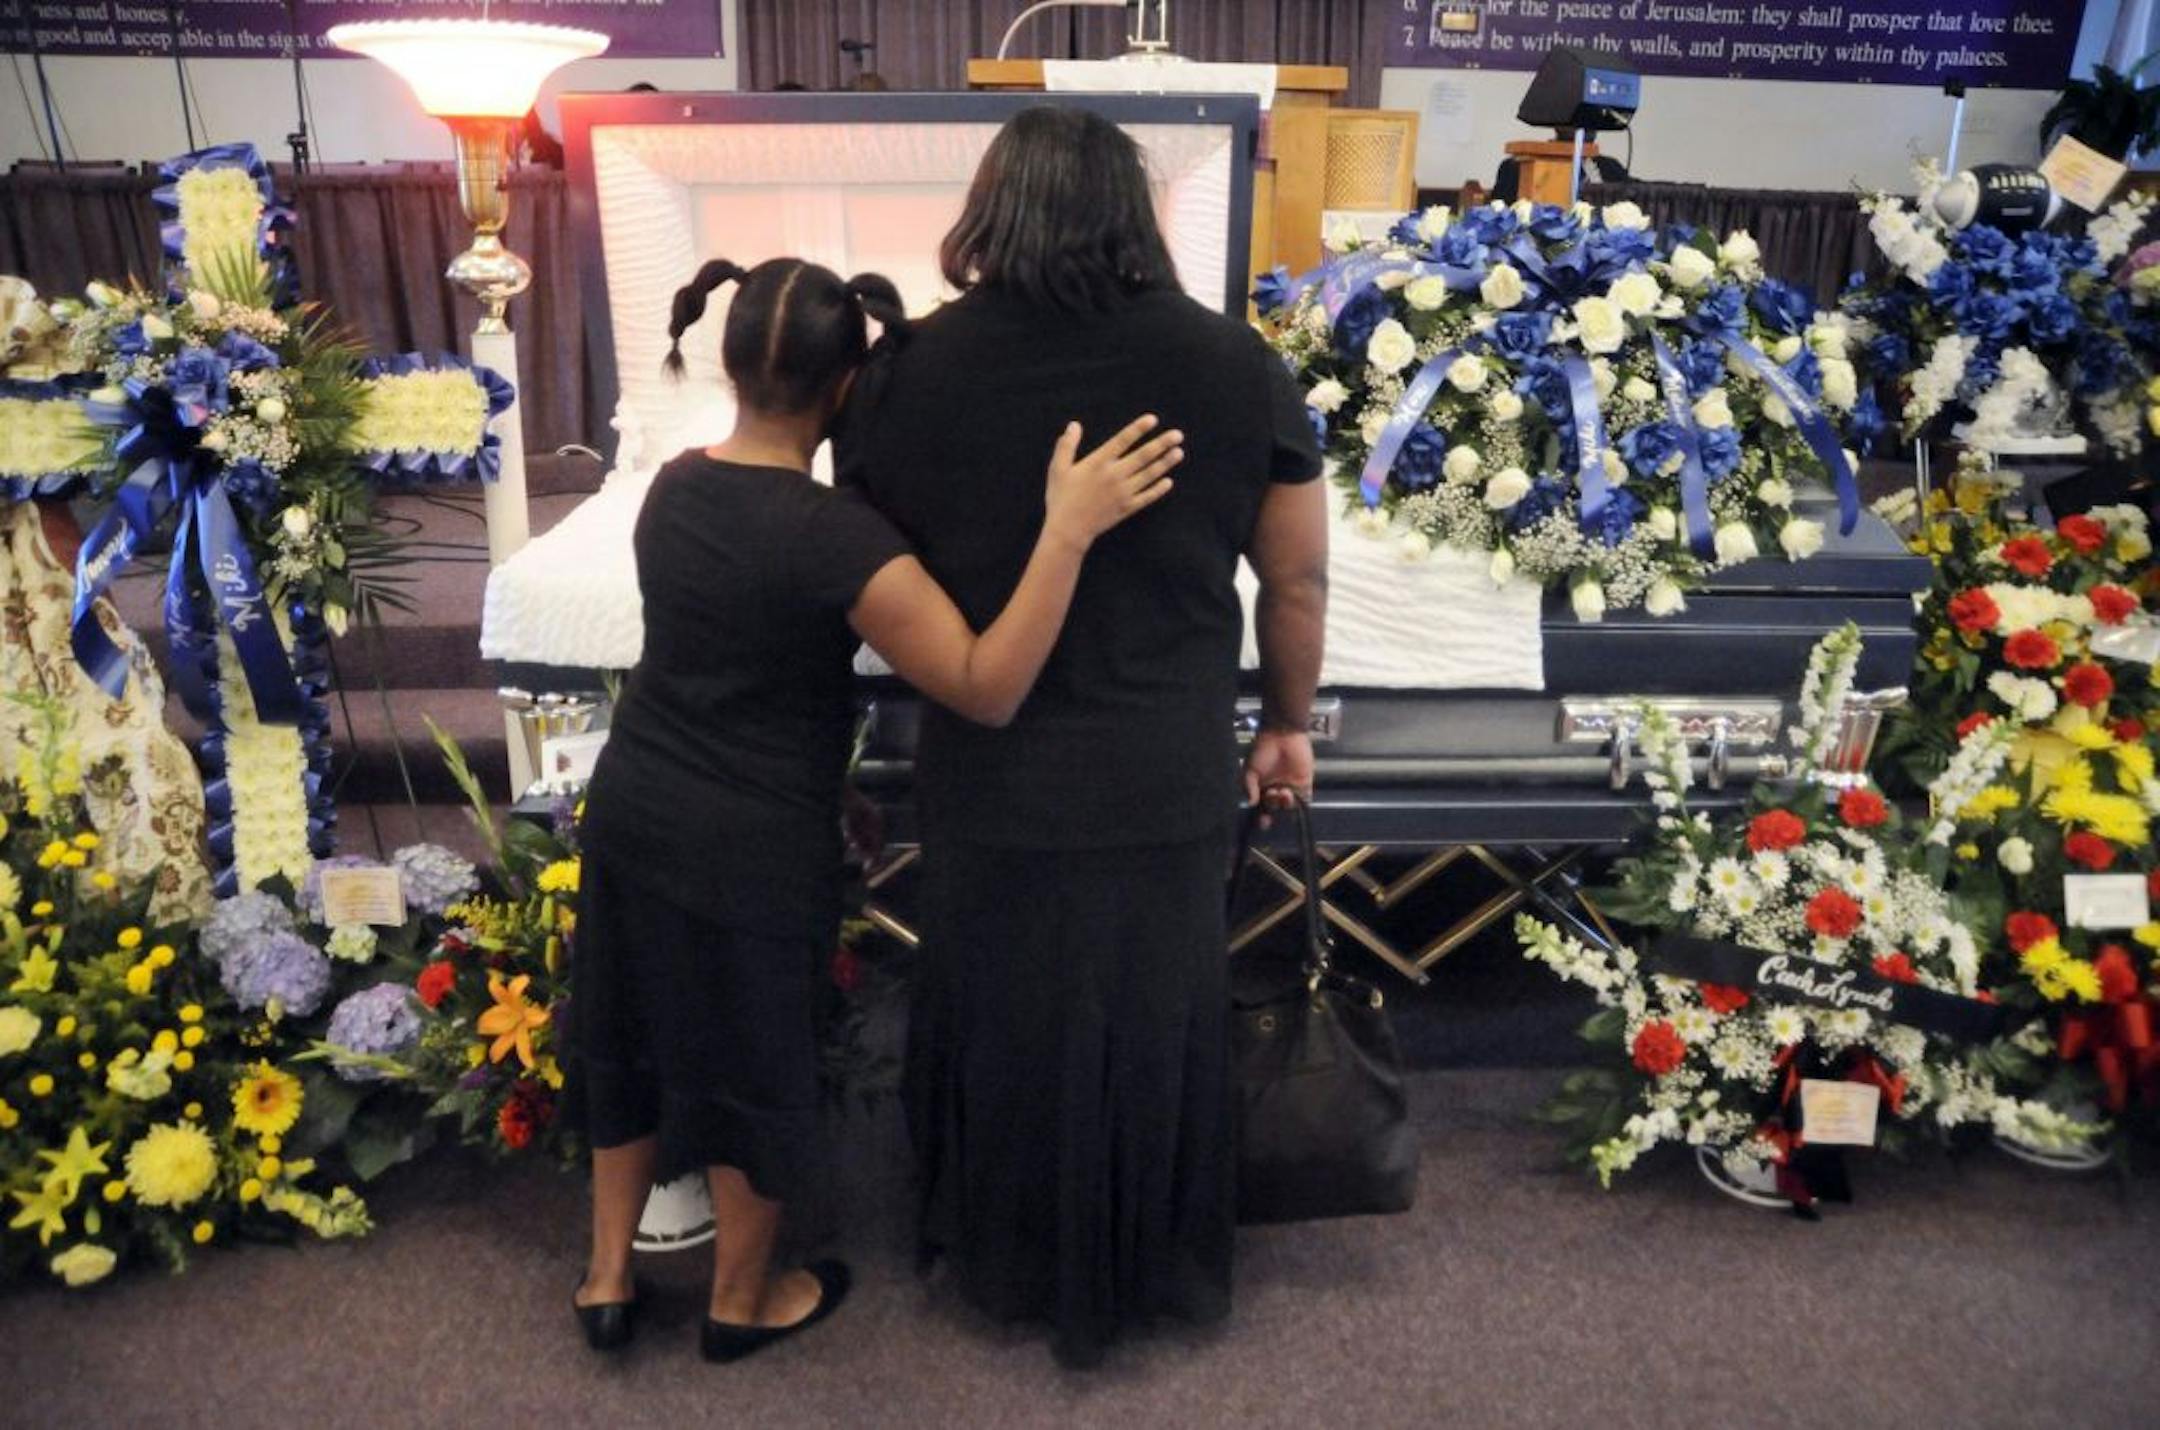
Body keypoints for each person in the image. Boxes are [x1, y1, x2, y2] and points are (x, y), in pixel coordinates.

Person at [568, 254, 1184, 1364]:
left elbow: (731, 661)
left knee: (628, 1027)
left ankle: (608, 1277)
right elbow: (987, 684)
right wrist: (1067, 529)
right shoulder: (838, 534)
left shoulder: (673, 489)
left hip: (635, 800)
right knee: (754, 1053)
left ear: (728, 358)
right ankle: (741, 1300)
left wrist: (835, 779)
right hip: (752, 839)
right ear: (846, 386)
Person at [835, 105, 1329, 1367]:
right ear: (1134, 214)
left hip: (989, 758)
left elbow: (864, 559)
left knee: (998, 1009)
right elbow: (1296, 583)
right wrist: (1283, 723)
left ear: (989, 211)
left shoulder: (905, 372)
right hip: (1162, 765)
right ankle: (1147, 1261)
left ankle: (999, 1246)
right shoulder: (1232, 363)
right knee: (1152, 1017)